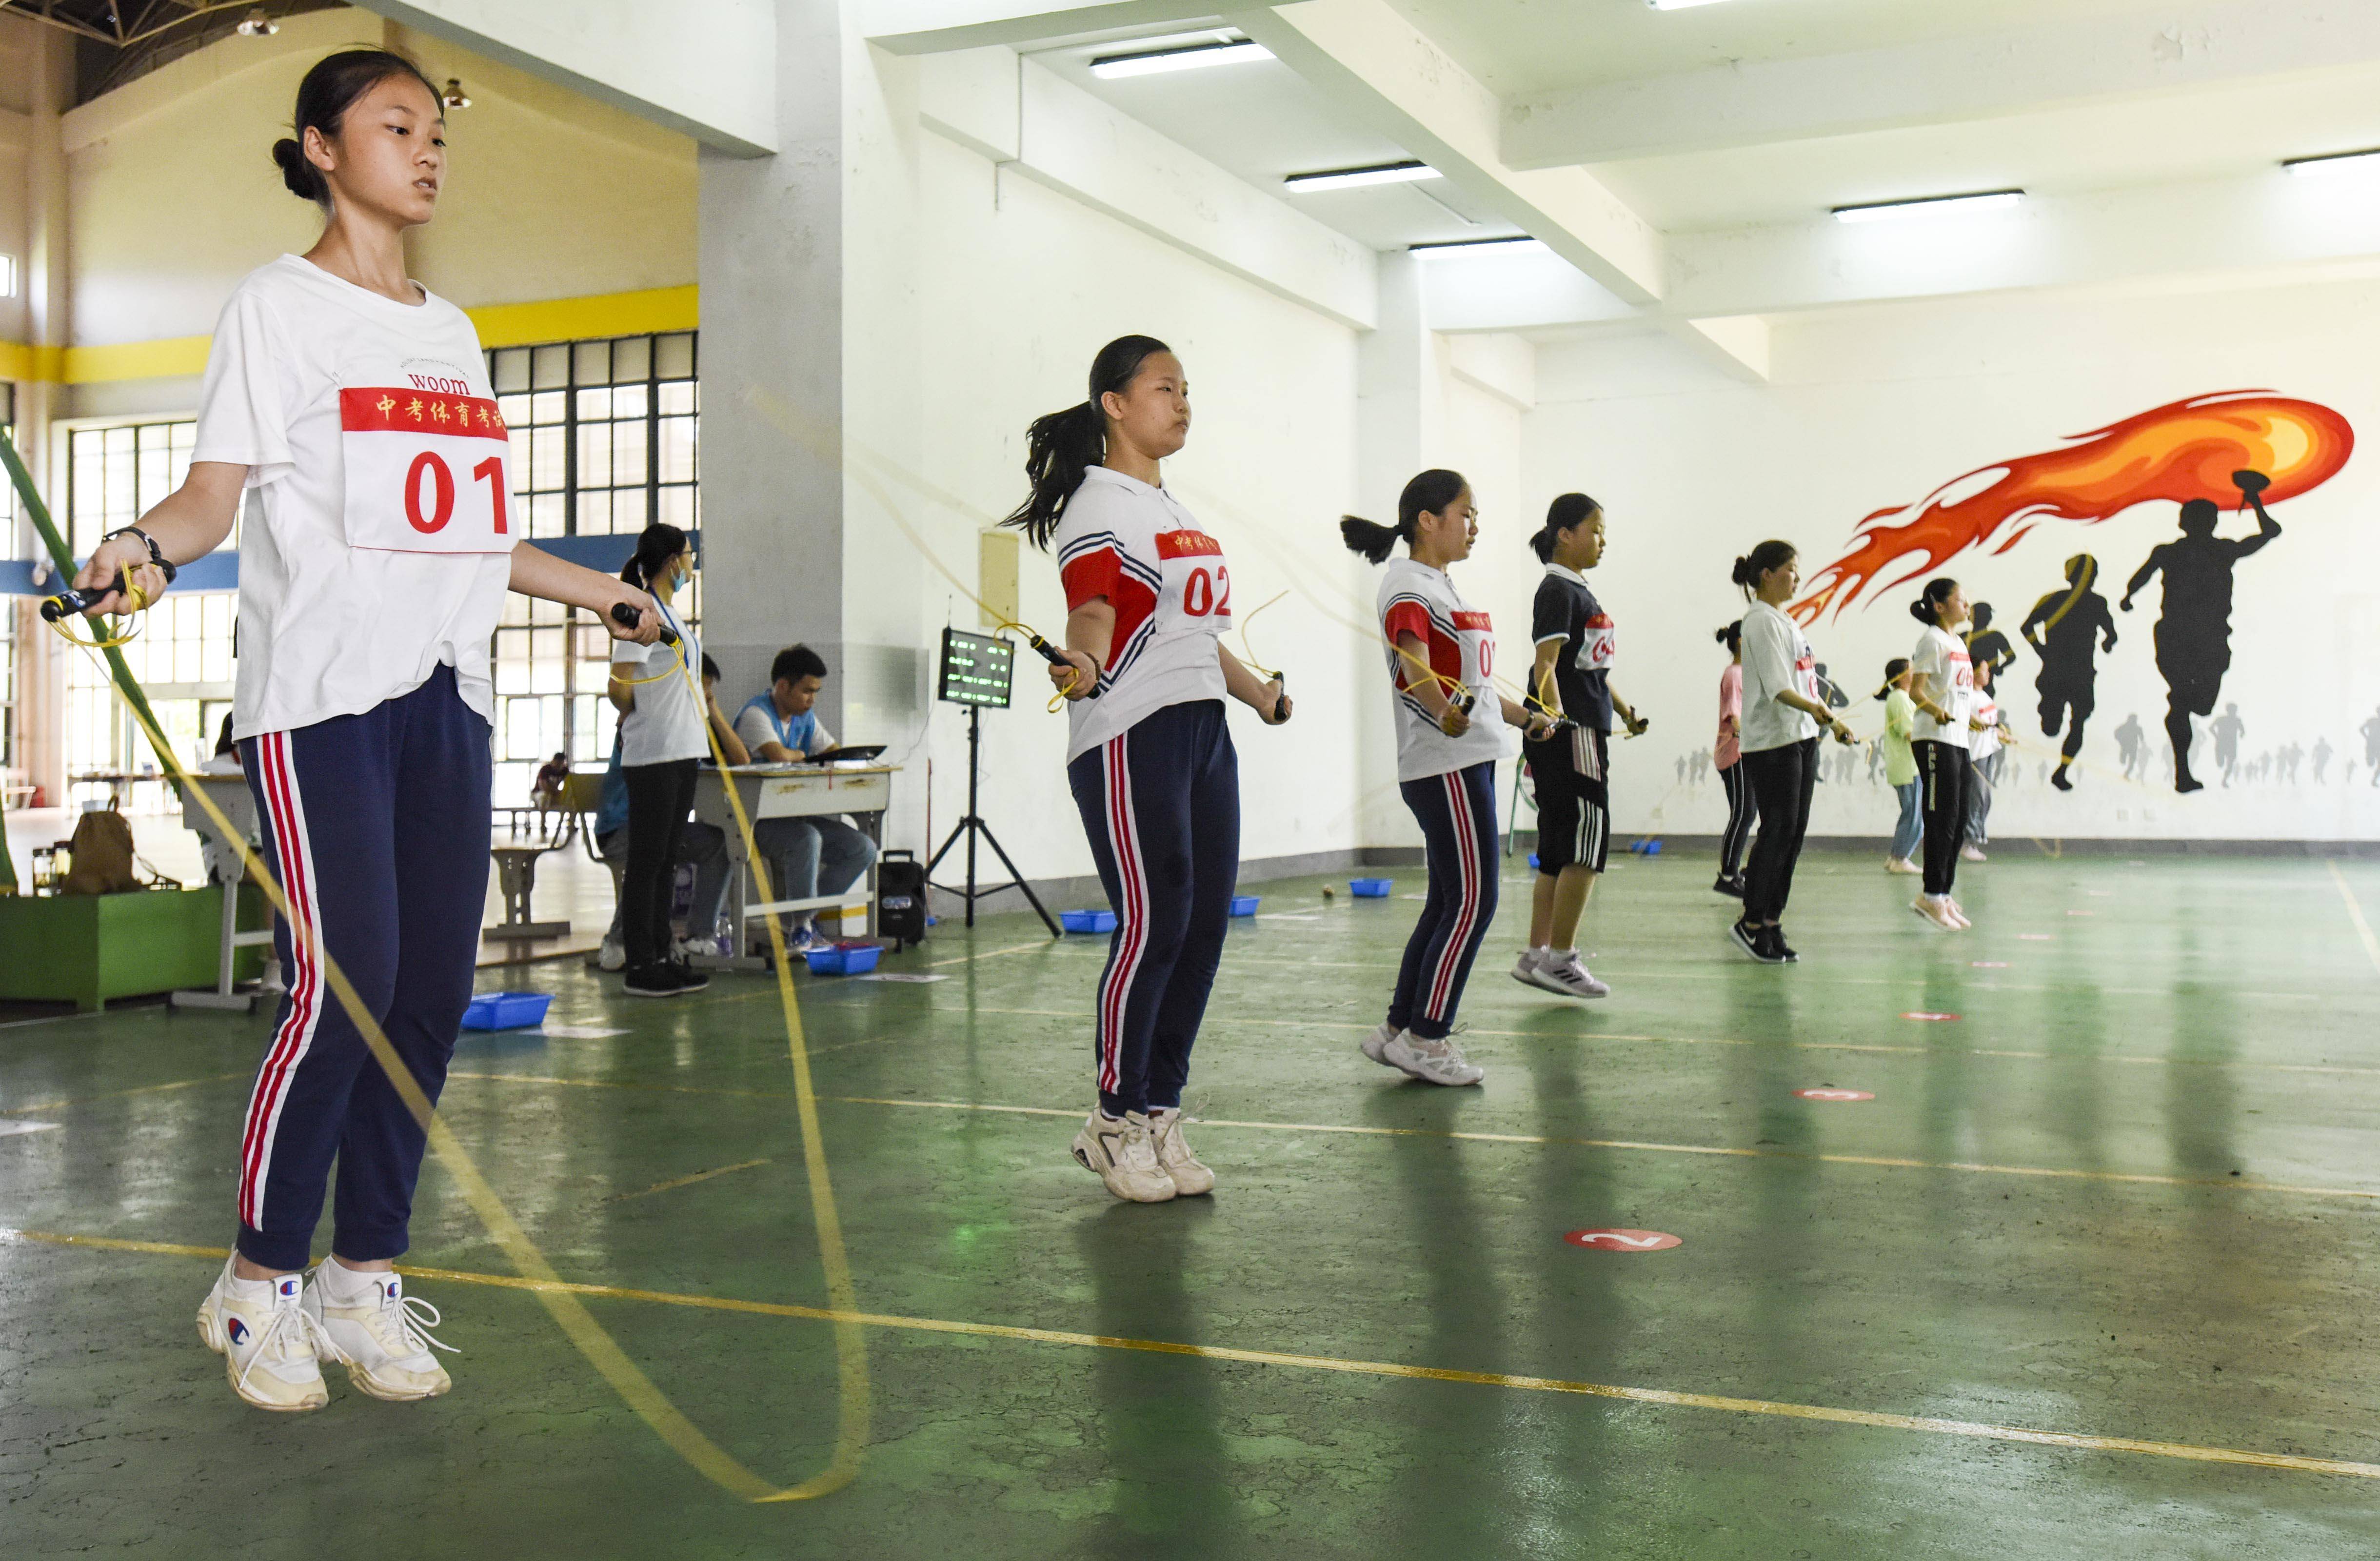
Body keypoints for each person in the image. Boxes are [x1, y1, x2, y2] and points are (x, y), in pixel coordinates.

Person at [71, 50, 665, 1412]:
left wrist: (605, 592)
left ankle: (362, 1279)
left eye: (434, 128)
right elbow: (215, 500)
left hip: (448, 692)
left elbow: (467, 527)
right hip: (322, 699)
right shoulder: (276, 309)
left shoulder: (451, 336)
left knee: (427, 996)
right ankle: (256, 1283)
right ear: (323, 147)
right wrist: (139, 546)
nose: (428, 148)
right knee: (344, 985)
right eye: (396, 125)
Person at [1004, 334, 1291, 1204]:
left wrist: (1260, 697)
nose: (1183, 401)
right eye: (1165, 388)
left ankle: (1161, 1109)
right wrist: (1084, 664)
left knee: (1202, 928)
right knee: (1154, 922)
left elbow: (1194, 641)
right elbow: (1093, 607)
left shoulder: (1176, 513)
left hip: (1203, 729)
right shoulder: (1102, 505)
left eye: (1187, 388)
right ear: (1115, 405)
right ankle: (1114, 1120)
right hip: (1132, 735)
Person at [1344, 471, 1555, 1079]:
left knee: (1446, 901)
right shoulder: (1408, 586)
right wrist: (1442, 712)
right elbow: (1412, 666)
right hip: (1446, 766)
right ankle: (1426, 1040)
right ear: (1426, 521)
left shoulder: (1441, 586)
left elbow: (1476, 689)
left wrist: (1523, 718)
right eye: (1465, 512)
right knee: (1473, 900)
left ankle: (1397, 1029)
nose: (1474, 525)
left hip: (1466, 759)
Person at [1513, 493, 1643, 999]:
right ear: (1563, 535)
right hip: (1574, 734)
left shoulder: (1578, 592)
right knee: (1587, 842)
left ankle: (1537, 954)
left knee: (1558, 843)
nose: (1602, 541)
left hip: (1585, 723)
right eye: (1595, 530)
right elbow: (1545, 667)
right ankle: (1562, 959)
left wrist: (1624, 709)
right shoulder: (1557, 591)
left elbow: (1588, 671)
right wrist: (1559, 717)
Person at [1727, 541, 1854, 963]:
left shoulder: (1787, 622)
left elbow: (1807, 685)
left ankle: (1772, 922)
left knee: (1794, 835)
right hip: (1772, 743)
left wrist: (1831, 722)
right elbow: (1779, 688)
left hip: (1800, 738)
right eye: (1791, 570)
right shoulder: (1759, 622)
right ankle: (1750, 922)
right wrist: (1818, 711)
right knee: (1777, 831)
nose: (1798, 578)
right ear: (1767, 574)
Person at [2122, 473, 2280, 793]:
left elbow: (2139, 579)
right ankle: (2183, 774)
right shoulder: (2215, 550)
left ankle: (2183, 768)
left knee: (2201, 705)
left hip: (2195, 638)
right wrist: (2256, 501)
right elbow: (2271, 532)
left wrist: (2129, 597)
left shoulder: (2202, 551)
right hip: (2189, 637)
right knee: (2184, 703)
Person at [607, 522, 713, 997]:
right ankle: (640, 964)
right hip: (653, 753)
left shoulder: (671, 613)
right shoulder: (640, 610)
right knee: (647, 862)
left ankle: (663, 954)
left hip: (684, 748)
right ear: (673, 560)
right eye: (689, 555)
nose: (693, 563)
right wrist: (632, 717)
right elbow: (619, 687)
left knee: (669, 860)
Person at [593, 653, 749, 971]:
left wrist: (712, 711)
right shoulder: (646, 723)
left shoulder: (688, 727)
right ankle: (618, 940)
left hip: (660, 825)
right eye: (698, 692)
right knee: (654, 850)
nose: (701, 700)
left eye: (707, 694)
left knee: (721, 843)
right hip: (620, 828)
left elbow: (741, 759)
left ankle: (699, 935)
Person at [734, 644, 878, 952]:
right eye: (807, 691)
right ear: (783, 686)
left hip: (793, 816)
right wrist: (801, 756)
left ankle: (804, 918)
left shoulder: (806, 718)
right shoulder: (756, 715)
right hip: (754, 822)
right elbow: (777, 754)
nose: (812, 699)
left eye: (816, 692)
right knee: (807, 839)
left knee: (863, 848)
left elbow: (832, 751)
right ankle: (800, 925)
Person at [1908, 577, 1979, 930]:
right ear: (1939, 605)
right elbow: (1916, 691)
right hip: (1934, 738)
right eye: (1960, 599)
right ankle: (1930, 895)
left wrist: (1972, 717)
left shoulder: (1959, 643)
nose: (1967, 605)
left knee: (1959, 816)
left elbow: (1956, 692)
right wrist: (1936, 711)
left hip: (1958, 738)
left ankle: (1944, 892)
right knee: (1940, 817)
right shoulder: (1931, 640)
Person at [2020, 554, 2117, 792]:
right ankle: (2053, 731)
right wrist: (2107, 643)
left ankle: (2061, 771)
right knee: (2059, 727)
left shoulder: (2064, 601)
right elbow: (2111, 634)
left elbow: (2027, 627)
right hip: (2071, 672)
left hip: (2070, 672)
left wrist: (2042, 650)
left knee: (2076, 724)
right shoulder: (2090, 602)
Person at [1713, 621, 1756, 896]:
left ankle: (1738, 871)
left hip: (1747, 751)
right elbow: (1735, 716)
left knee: (1748, 813)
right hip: (1735, 752)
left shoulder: (1747, 674)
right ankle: (1728, 876)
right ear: (1742, 641)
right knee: (1742, 813)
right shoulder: (1734, 674)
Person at [1876, 658, 1920, 874]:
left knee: (1913, 813)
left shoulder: (1901, 698)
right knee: (1914, 816)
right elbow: (1910, 733)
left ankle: (1896, 857)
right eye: (1912, 669)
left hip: (1907, 766)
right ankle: (1900, 858)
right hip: (1908, 767)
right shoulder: (1900, 699)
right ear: (1902, 676)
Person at [1964, 659, 2003, 862]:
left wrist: (2003, 736)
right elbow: (1965, 720)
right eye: (1985, 670)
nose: (1988, 674)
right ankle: (1968, 842)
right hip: (1974, 754)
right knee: (1976, 797)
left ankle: (1975, 838)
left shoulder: (1985, 697)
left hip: (1988, 752)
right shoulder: (1967, 697)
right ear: (1974, 672)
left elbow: (1990, 726)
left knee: (1985, 798)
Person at [1964, 602, 2019, 679]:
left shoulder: (1963, 636)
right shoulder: (1995, 636)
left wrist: (2000, 668)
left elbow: (2011, 656)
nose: (1990, 617)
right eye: (1987, 614)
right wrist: (2000, 668)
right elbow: (2011, 657)